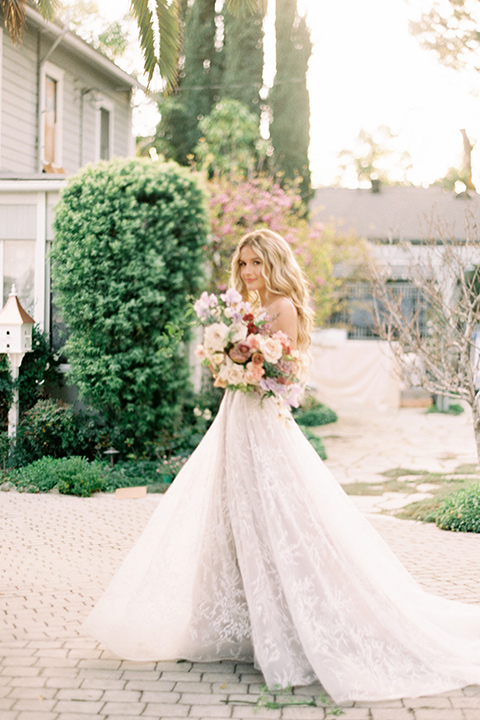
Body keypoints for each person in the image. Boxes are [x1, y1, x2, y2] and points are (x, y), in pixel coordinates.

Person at [84, 229, 480, 704]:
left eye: (256, 263)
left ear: (273, 263)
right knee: (232, 517)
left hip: (263, 423)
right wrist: (226, 359)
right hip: (235, 419)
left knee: (277, 520)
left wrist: (248, 360)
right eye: (244, 263)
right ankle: (245, 624)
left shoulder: (283, 308)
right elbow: (233, 367)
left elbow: (285, 372)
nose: (249, 271)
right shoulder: (242, 310)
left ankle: (292, 624)